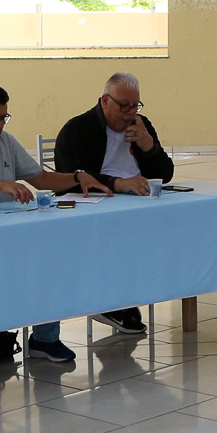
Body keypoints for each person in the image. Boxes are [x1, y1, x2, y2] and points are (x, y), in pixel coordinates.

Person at [0, 82, 106, 379]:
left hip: (11, 231)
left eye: (4, 118)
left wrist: (77, 177)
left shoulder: (6, 142)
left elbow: (40, 179)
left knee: (51, 261)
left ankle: (44, 339)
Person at [50, 71, 178, 334]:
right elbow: (71, 177)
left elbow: (165, 174)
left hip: (137, 203)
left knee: (170, 228)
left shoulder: (141, 125)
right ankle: (109, 299)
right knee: (116, 231)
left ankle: (132, 293)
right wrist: (117, 184)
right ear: (105, 101)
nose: (130, 113)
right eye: (124, 106)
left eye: (135, 105)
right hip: (96, 205)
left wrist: (148, 145)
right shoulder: (77, 129)